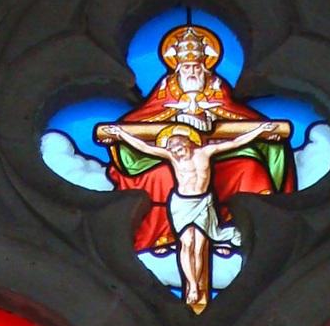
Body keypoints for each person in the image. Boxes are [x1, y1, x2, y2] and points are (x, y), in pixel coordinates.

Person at [94, 22, 296, 263]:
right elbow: (146, 119)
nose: (192, 72)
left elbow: (235, 116)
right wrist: (124, 132)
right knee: (160, 177)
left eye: (197, 66)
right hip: (173, 156)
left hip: (218, 156)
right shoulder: (165, 88)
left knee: (250, 169)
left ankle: (235, 232)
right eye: (186, 66)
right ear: (176, 66)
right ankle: (166, 234)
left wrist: (252, 128)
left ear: (206, 66)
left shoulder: (216, 87)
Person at [97, 119, 291, 314]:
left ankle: (198, 287)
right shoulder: (172, 157)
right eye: (171, 148)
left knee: (198, 246)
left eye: (177, 146)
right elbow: (144, 147)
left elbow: (234, 143)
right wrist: (121, 134)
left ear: (188, 143)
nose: (175, 151)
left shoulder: (204, 153)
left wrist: (258, 131)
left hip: (203, 203)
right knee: (186, 244)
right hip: (181, 203)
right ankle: (191, 287)